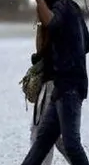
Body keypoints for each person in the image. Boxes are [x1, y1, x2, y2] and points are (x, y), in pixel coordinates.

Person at [21, 0, 89, 165]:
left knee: (71, 144)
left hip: (69, 86)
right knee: (42, 143)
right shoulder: (72, 7)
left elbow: (52, 24)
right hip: (63, 87)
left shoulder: (59, 7)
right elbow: (87, 44)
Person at [29, 24, 70, 165]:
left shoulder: (50, 20)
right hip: (58, 83)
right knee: (58, 136)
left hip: (51, 84)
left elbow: (42, 50)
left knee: (41, 131)